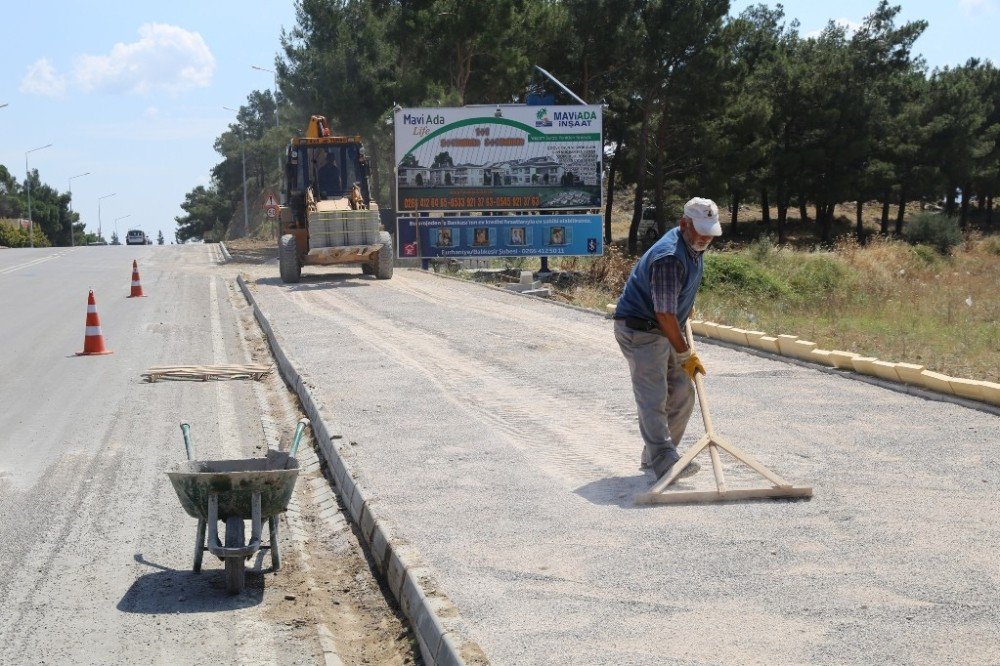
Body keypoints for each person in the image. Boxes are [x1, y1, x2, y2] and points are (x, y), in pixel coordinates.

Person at [613, 197, 722, 481]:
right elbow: (663, 313)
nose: (706, 237)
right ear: (683, 224)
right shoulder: (669, 257)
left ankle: (657, 455)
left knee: (683, 392)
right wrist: (685, 354)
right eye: (700, 230)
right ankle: (664, 459)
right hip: (642, 330)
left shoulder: (694, 245)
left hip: (664, 326)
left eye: (710, 230)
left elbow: (672, 302)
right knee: (654, 396)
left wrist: (685, 309)